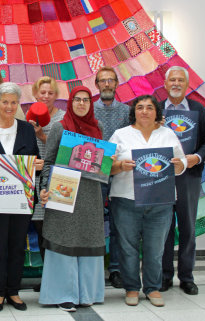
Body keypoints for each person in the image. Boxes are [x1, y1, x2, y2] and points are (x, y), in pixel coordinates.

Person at [109, 95, 187, 307]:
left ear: (157, 112)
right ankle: (132, 288)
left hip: (161, 202)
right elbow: (106, 166)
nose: (144, 111)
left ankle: (152, 288)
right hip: (126, 200)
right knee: (127, 248)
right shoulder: (120, 135)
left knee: (156, 249)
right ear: (133, 111)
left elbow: (181, 165)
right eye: (140, 107)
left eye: (149, 107)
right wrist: (120, 166)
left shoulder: (168, 134)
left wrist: (178, 165)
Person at [0, 82, 43, 312]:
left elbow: (36, 161)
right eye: (5, 102)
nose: (9, 106)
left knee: (17, 247)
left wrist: (39, 165)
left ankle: (13, 290)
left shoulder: (26, 129)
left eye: (14, 102)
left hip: (22, 198)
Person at [38, 86, 105, 312]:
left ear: (90, 104)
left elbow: (102, 164)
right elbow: (47, 162)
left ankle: (87, 293)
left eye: (86, 100)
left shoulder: (98, 128)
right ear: (70, 102)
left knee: (87, 240)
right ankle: (62, 294)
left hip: (90, 195)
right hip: (63, 193)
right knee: (63, 241)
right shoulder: (60, 127)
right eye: (77, 99)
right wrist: (45, 188)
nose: (81, 103)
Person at [160, 66, 205, 295]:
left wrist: (197, 157)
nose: (175, 83)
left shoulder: (198, 109)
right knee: (163, 229)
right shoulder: (155, 109)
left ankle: (186, 277)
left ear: (186, 85)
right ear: (165, 84)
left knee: (187, 228)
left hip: (189, 178)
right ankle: (164, 277)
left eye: (180, 80)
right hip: (161, 177)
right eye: (172, 80)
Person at [93, 66, 130, 289]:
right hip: (95, 174)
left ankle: (115, 268)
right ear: (96, 85)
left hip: (120, 173)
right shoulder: (88, 109)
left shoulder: (127, 111)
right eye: (102, 81)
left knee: (119, 223)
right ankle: (94, 266)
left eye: (110, 80)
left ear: (117, 84)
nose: (107, 84)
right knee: (95, 222)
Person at [28, 76, 65, 291]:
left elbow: (66, 150)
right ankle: (49, 279)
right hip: (35, 182)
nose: (46, 96)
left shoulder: (62, 119)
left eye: (50, 92)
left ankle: (60, 278)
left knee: (57, 232)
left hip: (58, 180)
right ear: (35, 94)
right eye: (42, 92)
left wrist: (42, 136)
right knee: (41, 232)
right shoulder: (27, 118)